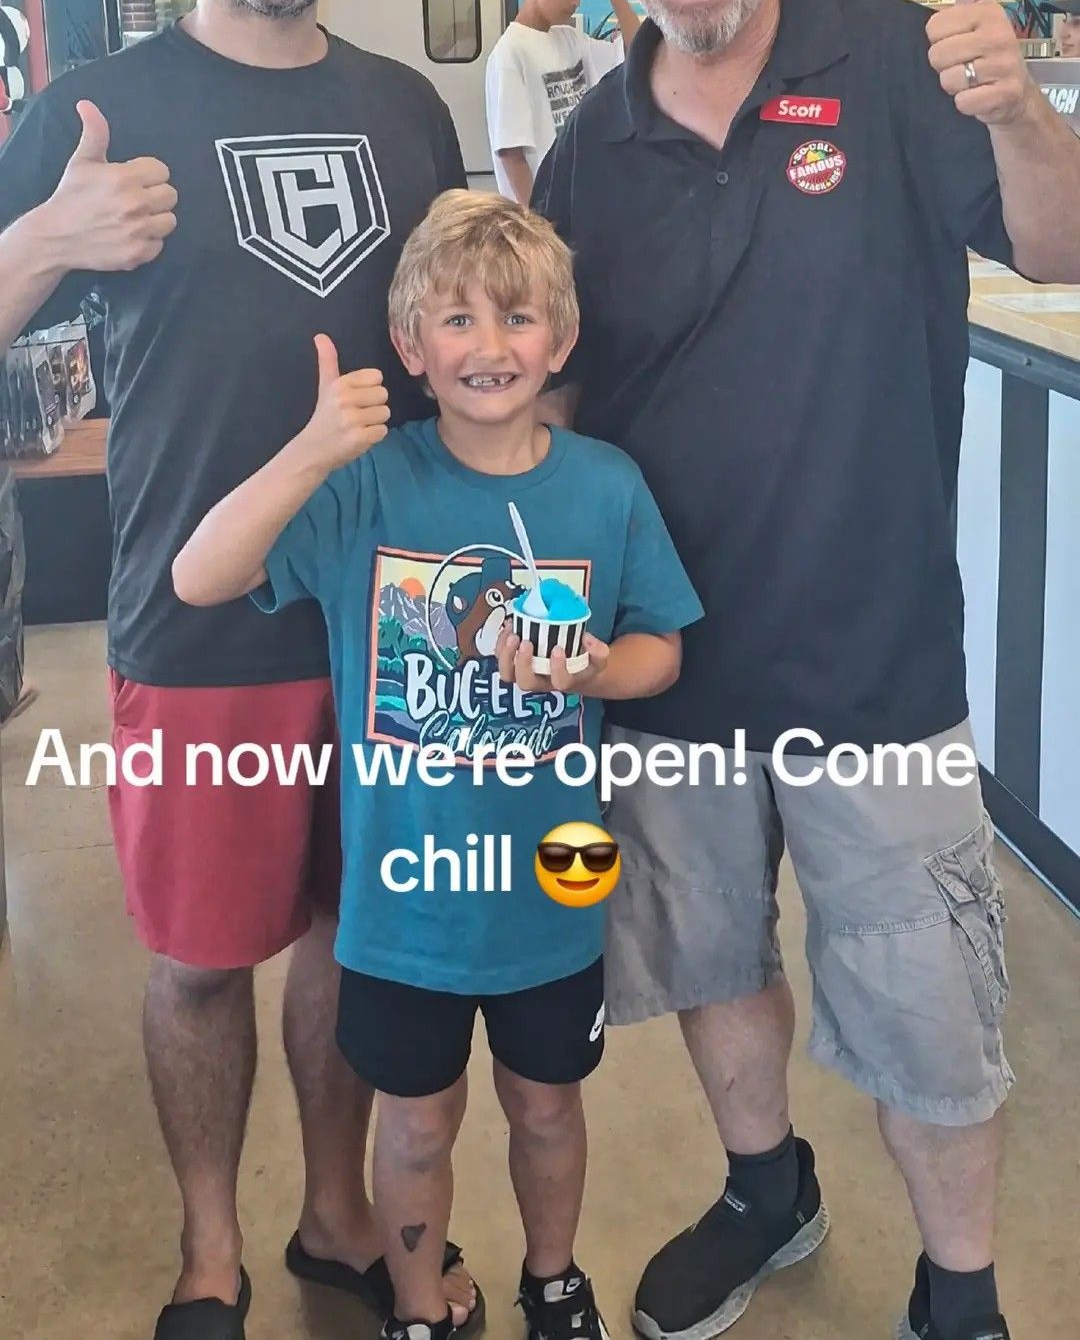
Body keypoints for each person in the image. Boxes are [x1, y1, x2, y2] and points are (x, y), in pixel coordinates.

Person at [533, 0, 1080, 1340]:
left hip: (873, 653)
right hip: (666, 658)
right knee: (710, 959)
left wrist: (1025, 105)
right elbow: (557, 388)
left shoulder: (906, 67)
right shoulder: (596, 140)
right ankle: (765, 1185)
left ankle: (961, 1287)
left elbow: (1059, 244)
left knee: (928, 1003)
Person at [0, 0, 481, 1340]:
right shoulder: (94, 107)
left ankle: (335, 1216)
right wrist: (44, 241)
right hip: (196, 619)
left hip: (392, 622)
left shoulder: (407, 110)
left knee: (358, 940)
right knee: (201, 959)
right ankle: (208, 1246)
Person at [173, 189, 702, 1340]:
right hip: (404, 897)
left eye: (518, 319)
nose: (490, 346)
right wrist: (314, 446)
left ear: (559, 341)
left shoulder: (605, 487)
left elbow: (661, 652)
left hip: (554, 887)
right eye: (456, 322)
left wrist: (595, 672)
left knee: (547, 1106)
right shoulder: (365, 485)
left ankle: (554, 1281)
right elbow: (201, 578)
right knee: (412, 1126)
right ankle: (417, 1305)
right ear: (411, 349)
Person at [485, 0, 640, 204]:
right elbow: (512, 154)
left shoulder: (570, 40)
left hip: (582, 204)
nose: (576, 0)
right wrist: (538, 225)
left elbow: (638, 51)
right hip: (545, 217)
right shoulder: (510, 53)